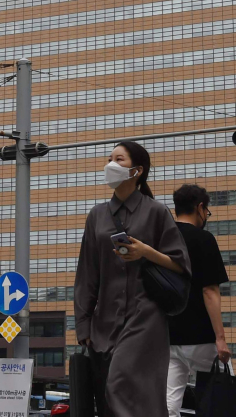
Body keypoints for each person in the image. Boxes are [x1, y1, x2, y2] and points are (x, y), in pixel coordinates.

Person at [74, 141, 190, 417]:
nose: (111, 164)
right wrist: (83, 326)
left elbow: (180, 265)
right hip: (103, 324)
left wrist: (146, 252)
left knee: (118, 384)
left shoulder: (156, 212)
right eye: (110, 158)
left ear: (137, 170)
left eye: (119, 159)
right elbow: (87, 274)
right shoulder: (97, 216)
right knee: (122, 400)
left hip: (146, 318)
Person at [166, 184, 230, 417]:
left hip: (168, 335)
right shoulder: (204, 239)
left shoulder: (161, 238)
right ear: (200, 208)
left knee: (168, 404)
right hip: (201, 336)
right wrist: (220, 339)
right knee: (218, 398)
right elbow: (210, 291)